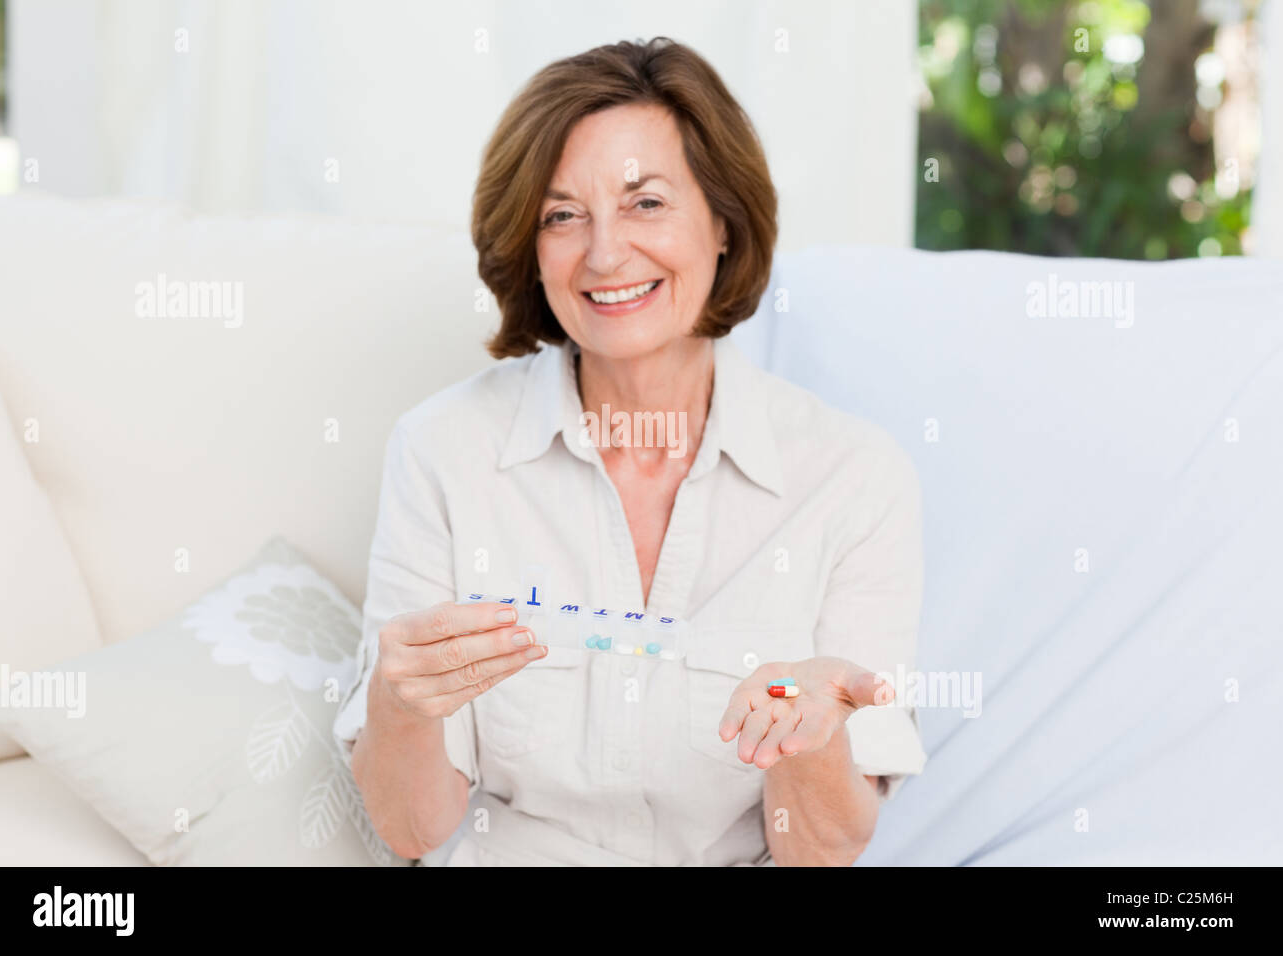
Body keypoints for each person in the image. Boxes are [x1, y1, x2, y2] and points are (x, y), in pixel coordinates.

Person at [334, 37, 926, 866]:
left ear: (723, 222)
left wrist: (809, 737)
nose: (605, 254)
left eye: (646, 203)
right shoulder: (441, 453)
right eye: (562, 215)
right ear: (532, 251)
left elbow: (822, 852)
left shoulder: (854, 479)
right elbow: (410, 828)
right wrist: (399, 706)